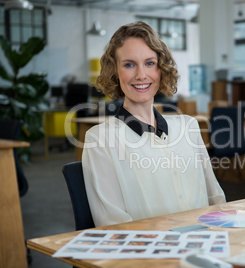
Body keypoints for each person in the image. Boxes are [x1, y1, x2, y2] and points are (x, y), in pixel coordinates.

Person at [82, 21, 226, 227]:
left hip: (206, 246)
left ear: (161, 69)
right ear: (115, 72)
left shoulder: (188, 127)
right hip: (151, 254)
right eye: (129, 64)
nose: (141, 75)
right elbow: (113, 224)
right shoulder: (101, 139)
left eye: (150, 63)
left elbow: (216, 200)